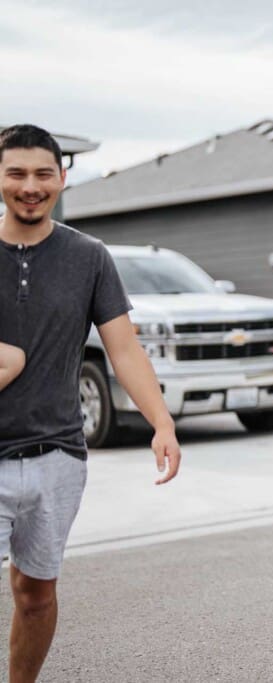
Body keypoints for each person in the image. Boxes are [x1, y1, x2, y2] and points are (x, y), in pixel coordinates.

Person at [0, 124, 182, 683]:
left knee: (34, 593)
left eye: (42, 174)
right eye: (16, 173)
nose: (30, 186)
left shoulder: (88, 257)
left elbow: (124, 350)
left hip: (58, 453)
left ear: (61, 177)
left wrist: (161, 421)